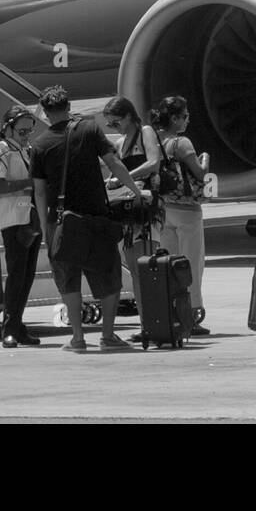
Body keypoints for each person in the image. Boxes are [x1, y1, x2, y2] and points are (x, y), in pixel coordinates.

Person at [31, 86, 146, 352]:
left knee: (68, 278)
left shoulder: (39, 145)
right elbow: (115, 164)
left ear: (45, 113)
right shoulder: (89, 129)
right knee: (108, 274)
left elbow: (39, 191)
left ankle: (78, 338)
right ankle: (107, 336)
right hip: (95, 216)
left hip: (60, 220)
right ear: (69, 106)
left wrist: (45, 228)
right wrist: (135, 190)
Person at [102, 96, 163, 343]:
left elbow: (153, 162)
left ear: (128, 116)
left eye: (115, 122)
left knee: (147, 266)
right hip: (130, 212)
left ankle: (155, 321)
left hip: (146, 208)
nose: (114, 128)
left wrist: (123, 177)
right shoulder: (122, 141)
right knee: (136, 271)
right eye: (110, 125)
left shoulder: (144, 131)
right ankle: (146, 321)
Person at [0, 106, 42, 348]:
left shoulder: (28, 149)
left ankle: (17, 327)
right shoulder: (1, 150)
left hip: (30, 216)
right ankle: (9, 328)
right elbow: (1, 185)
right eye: (21, 130)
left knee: (27, 276)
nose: (26, 134)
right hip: (12, 218)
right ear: (8, 128)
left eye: (29, 130)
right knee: (17, 274)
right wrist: (33, 183)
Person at [153, 95, 211, 335]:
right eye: (185, 116)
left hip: (164, 210)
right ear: (175, 118)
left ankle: (174, 314)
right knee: (192, 265)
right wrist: (205, 159)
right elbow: (199, 174)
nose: (187, 121)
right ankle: (193, 314)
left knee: (170, 264)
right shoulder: (181, 143)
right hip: (188, 211)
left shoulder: (154, 140)